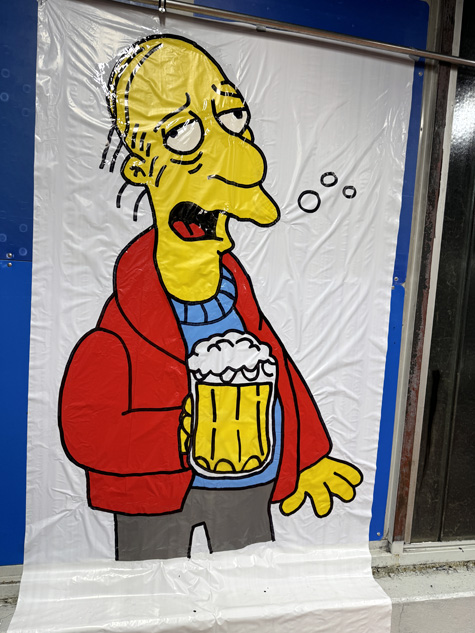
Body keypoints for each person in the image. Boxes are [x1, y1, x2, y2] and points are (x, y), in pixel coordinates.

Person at [59, 35, 362, 561]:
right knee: (150, 590)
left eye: (232, 117)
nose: (226, 146)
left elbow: (280, 372)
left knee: (248, 588)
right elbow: (87, 427)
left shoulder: (236, 297)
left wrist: (309, 456)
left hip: (248, 484)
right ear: (140, 168)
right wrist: (183, 432)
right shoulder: (119, 331)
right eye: (181, 131)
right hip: (154, 494)